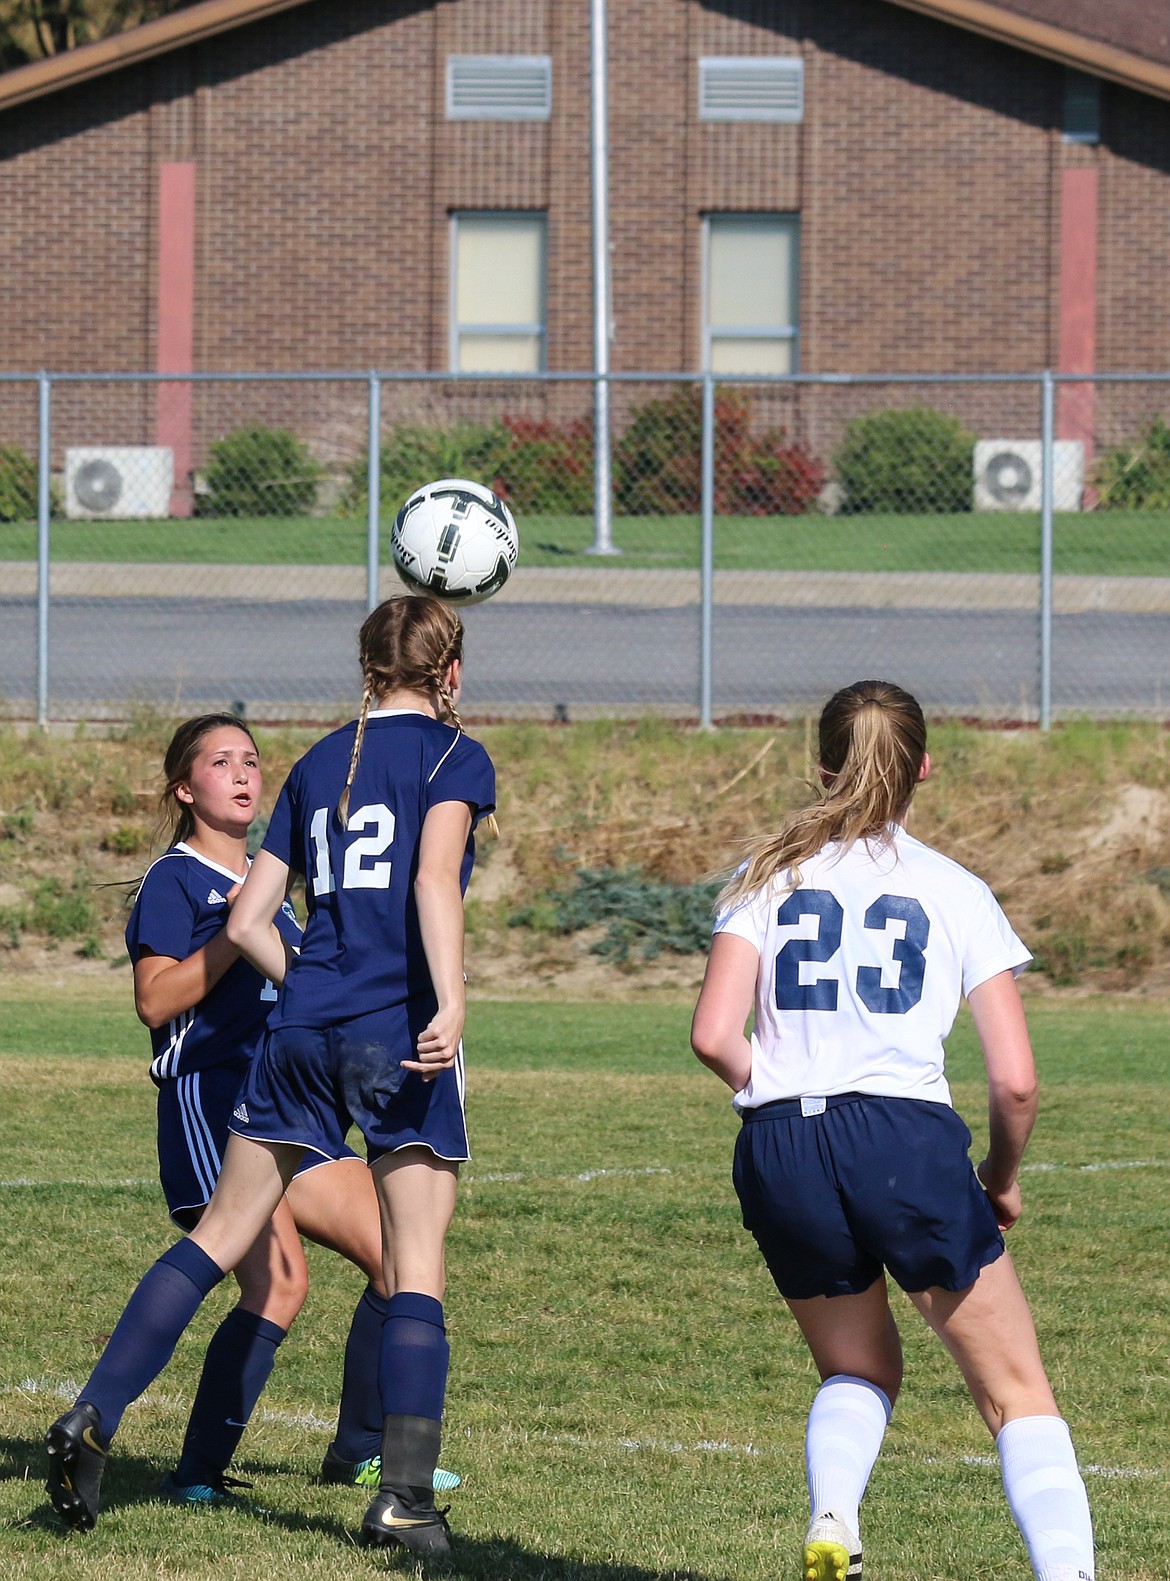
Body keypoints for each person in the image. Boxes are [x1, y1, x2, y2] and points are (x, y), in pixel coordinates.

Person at [45, 596, 494, 1554]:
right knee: (412, 1256)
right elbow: (429, 880)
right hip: (395, 1028)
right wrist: (446, 1000)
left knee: (219, 1236)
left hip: (299, 1029)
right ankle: (403, 1496)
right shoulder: (457, 756)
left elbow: (249, 923)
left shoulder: (320, 761)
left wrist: (316, 992)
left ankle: (94, 1414)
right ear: (450, 673)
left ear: (365, 670)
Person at [690, 680, 1094, 1581]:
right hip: (903, 1140)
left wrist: (786, 1089)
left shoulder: (764, 875)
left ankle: (835, 1512)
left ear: (820, 764)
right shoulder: (953, 888)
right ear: (924, 767)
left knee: (859, 1370)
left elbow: (714, 1035)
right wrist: (1002, 1173)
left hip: (779, 1144)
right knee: (1018, 1393)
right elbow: (1016, 1080)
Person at [119, 712, 454, 1506]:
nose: (243, 774)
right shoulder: (179, 877)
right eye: (220, 762)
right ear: (184, 786)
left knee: (395, 1255)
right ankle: (196, 1475)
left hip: (286, 1100)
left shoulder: (278, 886)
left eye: (252, 760)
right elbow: (154, 998)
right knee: (278, 1285)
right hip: (212, 1098)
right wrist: (243, 927)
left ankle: (361, 1450)